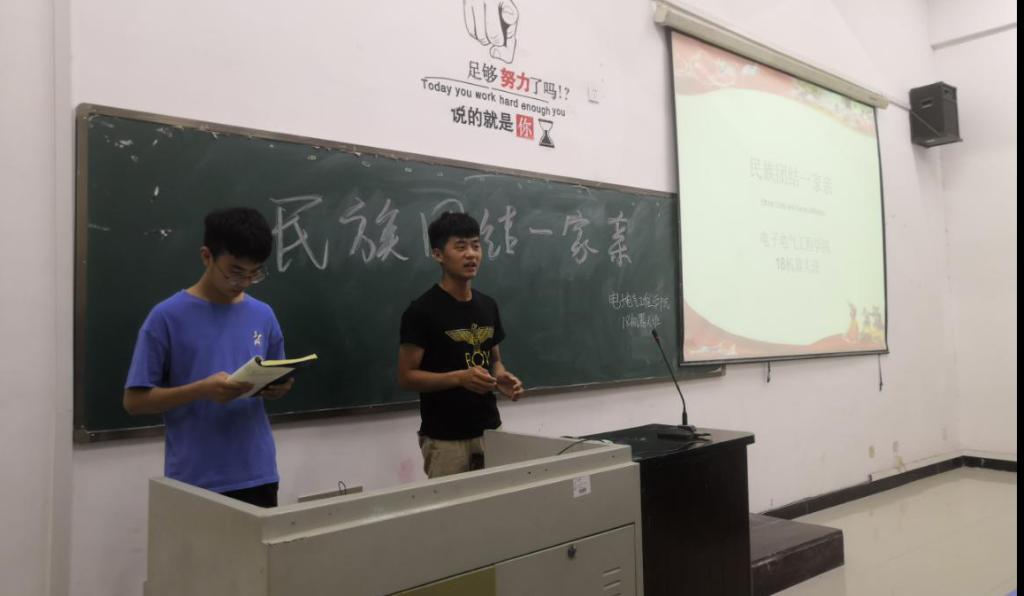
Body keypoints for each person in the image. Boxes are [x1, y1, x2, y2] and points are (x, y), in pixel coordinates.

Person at [123, 207, 294, 507]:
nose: (244, 282)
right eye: (235, 272)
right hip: (195, 480)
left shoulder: (263, 314)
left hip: (258, 475)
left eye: (254, 273)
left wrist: (279, 387)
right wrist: (201, 390)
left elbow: (276, 373)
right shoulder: (166, 317)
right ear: (207, 256)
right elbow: (134, 402)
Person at [398, 211, 523, 478]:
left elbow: (495, 360)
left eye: (476, 246)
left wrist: (501, 377)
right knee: (452, 507)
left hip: (490, 430)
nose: (471, 254)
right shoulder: (421, 311)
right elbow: (407, 376)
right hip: (445, 440)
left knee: (500, 502)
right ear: (438, 254)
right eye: (461, 246)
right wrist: (459, 378)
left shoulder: (487, 305)